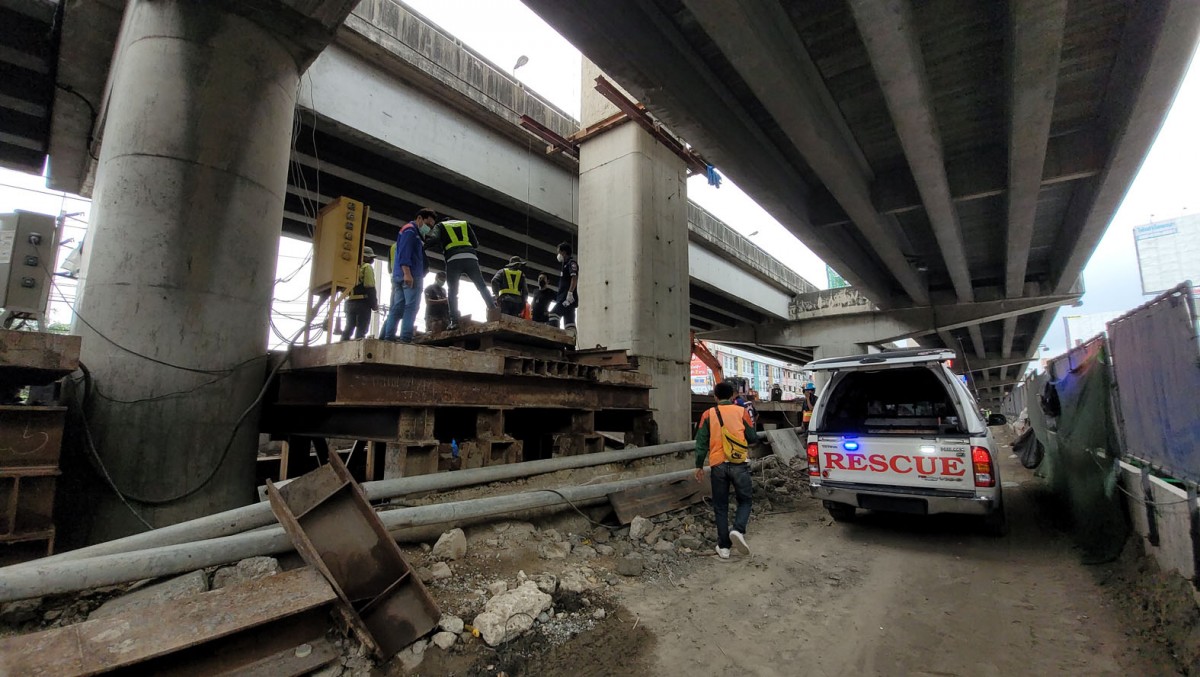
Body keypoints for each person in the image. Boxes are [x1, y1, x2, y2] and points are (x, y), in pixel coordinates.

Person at [694, 381, 760, 559]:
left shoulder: (708, 414)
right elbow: (752, 437)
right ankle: (738, 529)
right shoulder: (741, 412)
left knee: (720, 505)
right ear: (732, 396)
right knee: (745, 500)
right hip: (739, 463)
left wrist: (698, 466)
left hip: (718, 464)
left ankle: (723, 547)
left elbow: (700, 443)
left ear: (715, 396)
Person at [381, 208, 436, 342]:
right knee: (411, 307)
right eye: (427, 225)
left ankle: (389, 337)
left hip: (400, 275)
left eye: (431, 227)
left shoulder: (411, 231)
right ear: (419, 219)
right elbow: (405, 253)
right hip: (410, 275)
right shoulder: (410, 231)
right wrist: (407, 273)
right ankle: (405, 338)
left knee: (398, 307)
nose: (428, 229)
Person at [433, 218, 497, 330]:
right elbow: (476, 244)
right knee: (481, 286)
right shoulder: (464, 224)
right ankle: (494, 311)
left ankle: (454, 322)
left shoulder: (439, 226)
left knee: (452, 292)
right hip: (471, 258)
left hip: (453, 259)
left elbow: (434, 240)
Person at [341, 246, 377, 341]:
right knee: (362, 329)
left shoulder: (350, 267)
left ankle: (343, 342)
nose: (371, 259)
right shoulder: (367, 267)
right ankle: (358, 347)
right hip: (363, 303)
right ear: (365, 257)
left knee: (349, 326)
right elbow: (370, 287)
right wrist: (374, 304)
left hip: (350, 302)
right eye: (370, 257)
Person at [552, 242, 579, 336]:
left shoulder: (571, 263)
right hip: (566, 299)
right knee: (569, 323)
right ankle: (571, 345)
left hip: (566, 298)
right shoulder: (565, 265)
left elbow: (574, 277)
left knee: (553, 315)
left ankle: (555, 337)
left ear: (564, 252)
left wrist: (570, 293)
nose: (558, 255)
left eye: (559, 252)